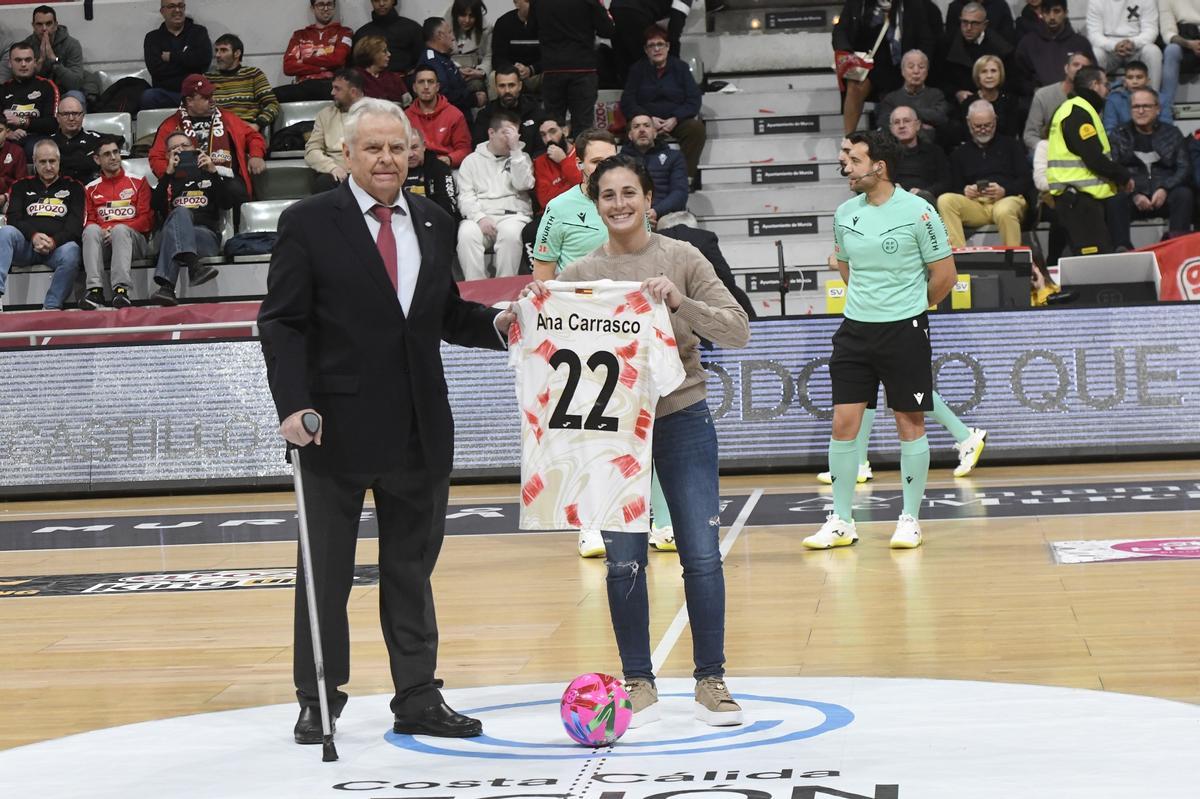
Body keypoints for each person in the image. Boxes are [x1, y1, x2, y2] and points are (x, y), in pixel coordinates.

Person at [257, 97, 516, 745]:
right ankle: (318, 697)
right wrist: (293, 404)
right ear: (347, 154)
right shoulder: (307, 222)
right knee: (326, 574)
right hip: (330, 430)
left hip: (419, 431)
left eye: (396, 148)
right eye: (372, 147)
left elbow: (446, 314)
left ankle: (419, 694)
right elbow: (282, 322)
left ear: (413, 154)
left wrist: (500, 325)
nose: (385, 158)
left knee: (410, 570)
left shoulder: (432, 219)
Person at [530, 152, 750, 728]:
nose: (620, 204)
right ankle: (638, 681)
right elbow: (538, 334)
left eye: (631, 193)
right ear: (594, 202)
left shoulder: (682, 257)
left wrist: (681, 302)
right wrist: (513, 321)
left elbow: (739, 329)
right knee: (624, 560)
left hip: (682, 418)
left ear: (650, 200)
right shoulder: (578, 273)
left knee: (701, 555)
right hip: (614, 434)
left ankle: (711, 680)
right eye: (609, 195)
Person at [805, 129, 956, 551]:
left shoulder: (919, 211)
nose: (845, 166)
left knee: (909, 422)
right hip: (854, 331)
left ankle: (909, 518)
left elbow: (945, 276)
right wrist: (869, 303)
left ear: (879, 166)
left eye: (852, 158)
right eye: (844, 157)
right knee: (843, 424)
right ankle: (841, 520)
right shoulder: (844, 213)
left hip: (904, 329)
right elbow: (847, 268)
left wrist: (909, 307)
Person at [150, 130, 247, 305]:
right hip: (173, 234)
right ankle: (194, 267)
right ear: (168, 155)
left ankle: (167, 286)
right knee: (180, 213)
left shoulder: (210, 174)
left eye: (185, 146)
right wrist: (168, 175)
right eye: (175, 148)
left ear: (194, 148)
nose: (180, 150)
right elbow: (155, 206)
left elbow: (227, 204)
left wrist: (214, 173)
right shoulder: (167, 180)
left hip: (205, 236)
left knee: (178, 217)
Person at [1046, 65, 1132, 254]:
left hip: (1078, 199)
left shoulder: (1071, 109)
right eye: (1105, 84)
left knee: (1092, 259)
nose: (1108, 90)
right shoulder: (1078, 112)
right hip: (1079, 200)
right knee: (1093, 262)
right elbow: (1093, 158)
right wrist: (1123, 176)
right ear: (1095, 85)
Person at [148, 74, 268, 200]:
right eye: (206, 97)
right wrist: (172, 174)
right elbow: (156, 157)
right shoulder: (170, 125)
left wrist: (256, 155)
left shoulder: (227, 118)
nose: (212, 100)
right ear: (189, 101)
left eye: (212, 95)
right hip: (187, 180)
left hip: (225, 179)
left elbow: (253, 136)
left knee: (235, 191)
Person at [0, 138, 83, 311]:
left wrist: (53, 241)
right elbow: (13, 218)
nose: (48, 166)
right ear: (35, 162)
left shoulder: (74, 187)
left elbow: (75, 226)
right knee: (6, 232)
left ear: (59, 161)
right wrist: (34, 236)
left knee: (73, 250)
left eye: (52, 161)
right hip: (26, 246)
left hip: (57, 248)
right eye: (42, 162)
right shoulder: (20, 186)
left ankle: (51, 307)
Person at [834, 0, 938, 135]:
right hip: (866, 64)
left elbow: (926, 38)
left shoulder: (912, 4)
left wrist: (919, 62)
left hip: (898, 65)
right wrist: (847, 53)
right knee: (855, 85)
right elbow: (840, 31)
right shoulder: (858, 3)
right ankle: (848, 138)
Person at [1108, 87, 1194, 247]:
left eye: (1146, 106)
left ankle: (1177, 246)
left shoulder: (1172, 133)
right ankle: (1122, 249)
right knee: (1115, 199)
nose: (1141, 111)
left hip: (1164, 194)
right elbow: (1114, 169)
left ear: (1157, 109)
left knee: (1184, 194)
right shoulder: (1119, 134)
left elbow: (1184, 167)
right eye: (1136, 106)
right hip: (1132, 195)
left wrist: (1165, 188)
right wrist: (1134, 194)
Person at [938, 99, 1031, 247]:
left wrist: (1004, 190)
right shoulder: (959, 153)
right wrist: (965, 191)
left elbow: (1026, 180)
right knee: (945, 200)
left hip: (1007, 199)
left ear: (995, 121)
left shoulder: (1011, 145)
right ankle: (957, 259)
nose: (983, 130)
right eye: (978, 126)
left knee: (1004, 210)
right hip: (977, 205)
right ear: (969, 123)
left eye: (988, 125)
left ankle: (1015, 261)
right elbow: (953, 186)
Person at [620, 25, 706, 184]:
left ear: (668, 47)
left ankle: (684, 179)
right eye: (652, 45)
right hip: (647, 120)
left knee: (696, 129)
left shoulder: (680, 68)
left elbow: (694, 99)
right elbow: (627, 101)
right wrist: (648, 119)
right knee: (635, 131)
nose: (656, 49)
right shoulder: (637, 70)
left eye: (660, 44)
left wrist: (676, 118)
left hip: (675, 121)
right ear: (646, 50)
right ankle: (637, 180)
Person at [455, 110, 535, 279]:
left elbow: (524, 184)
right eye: (506, 133)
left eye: (515, 134)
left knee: (511, 234)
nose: (511, 139)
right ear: (491, 133)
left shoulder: (522, 157)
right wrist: (479, 218)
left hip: (514, 216)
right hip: (481, 217)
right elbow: (465, 197)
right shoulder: (471, 161)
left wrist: (516, 152)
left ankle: (505, 290)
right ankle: (475, 290)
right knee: (466, 233)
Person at [80, 136, 154, 310]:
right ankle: (95, 290)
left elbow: (146, 220)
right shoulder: (90, 188)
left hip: (134, 242)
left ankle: (121, 290)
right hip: (104, 242)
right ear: (97, 159)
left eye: (115, 152)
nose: (113, 157)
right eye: (107, 154)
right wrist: (103, 230)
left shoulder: (138, 181)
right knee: (90, 230)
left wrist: (117, 230)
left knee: (120, 230)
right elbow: (89, 219)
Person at [532, 127, 616, 280]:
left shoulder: (633, 202)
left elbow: (646, 256)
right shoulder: (558, 207)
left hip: (627, 298)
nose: (605, 168)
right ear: (579, 164)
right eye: (596, 162)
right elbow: (543, 268)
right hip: (579, 299)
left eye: (611, 161)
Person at [529, 0, 617, 134]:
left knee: (552, 126)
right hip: (582, 68)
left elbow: (531, 29)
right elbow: (607, 29)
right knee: (583, 127)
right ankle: (580, 154)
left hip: (552, 68)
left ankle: (554, 153)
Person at [1013, 0, 1095, 101]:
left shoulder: (1080, 43)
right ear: (1041, 14)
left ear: (1066, 13)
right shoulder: (1028, 43)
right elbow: (1019, 78)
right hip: (1040, 100)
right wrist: (1035, 90)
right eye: (1047, 12)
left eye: (1057, 11)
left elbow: (1092, 75)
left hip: (1075, 99)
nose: (1052, 17)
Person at [278, 0, 355, 103]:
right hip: (304, 86)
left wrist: (305, 60)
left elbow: (338, 60)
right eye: (320, 4)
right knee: (271, 96)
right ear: (312, 8)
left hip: (331, 86)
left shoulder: (345, 32)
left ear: (334, 7)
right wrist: (323, 66)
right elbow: (288, 67)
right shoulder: (299, 35)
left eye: (329, 4)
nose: (326, 8)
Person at [937, 2, 1014, 105]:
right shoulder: (946, 45)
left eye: (974, 23)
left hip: (993, 104)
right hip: (958, 105)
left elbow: (1011, 82)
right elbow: (938, 79)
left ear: (984, 25)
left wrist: (993, 95)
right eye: (965, 22)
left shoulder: (1000, 48)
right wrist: (956, 93)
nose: (968, 28)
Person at [142, 0, 212, 109]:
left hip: (194, 94)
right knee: (148, 97)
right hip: (165, 93)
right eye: (171, 6)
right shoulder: (152, 38)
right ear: (162, 11)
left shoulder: (198, 32)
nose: (177, 10)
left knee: (209, 98)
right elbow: (156, 70)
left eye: (181, 6)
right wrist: (189, 65)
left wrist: (172, 56)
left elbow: (203, 61)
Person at [620, 113, 688, 225]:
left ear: (655, 133)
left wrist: (656, 211)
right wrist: (639, 215)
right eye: (636, 127)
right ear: (630, 135)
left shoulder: (674, 157)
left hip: (666, 215)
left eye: (646, 125)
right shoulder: (619, 161)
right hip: (631, 216)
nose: (642, 130)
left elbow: (680, 193)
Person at [7, 5, 90, 94]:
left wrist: (54, 60)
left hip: (65, 93)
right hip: (35, 93)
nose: (44, 29)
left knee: (75, 96)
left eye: (48, 23)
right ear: (33, 26)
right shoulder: (26, 47)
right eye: (39, 24)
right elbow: (18, 82)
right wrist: (40, 62)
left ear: (55, 25)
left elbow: (75, 84)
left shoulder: (71, 45)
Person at [875, 49, 952, 143]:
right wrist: (920, 127)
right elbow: (883, 123)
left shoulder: (936, 95)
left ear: (927, 71)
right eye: (911, 67)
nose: (916, 71)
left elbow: (941, 118)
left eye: (921, 67)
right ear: (903, 71)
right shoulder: (891, 98)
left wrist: (909, 114)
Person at [610, 0, 696, 84]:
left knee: (626, 68)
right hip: (636, 11)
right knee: (649, 70)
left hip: (616, 8)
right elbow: (674, 31)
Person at [307, 68, 365, 192]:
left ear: (353, 92)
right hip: (337, 174)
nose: (332, 92)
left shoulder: (376, 113)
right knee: (323, 183)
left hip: (367, 171)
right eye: (333, 87)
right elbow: (312, 150)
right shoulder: (325, 115)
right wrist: (331, 167)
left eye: (337, 88)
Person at [207, 34, 280, 130]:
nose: (217, 55)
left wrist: (258, 124)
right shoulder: (208, 78)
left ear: (237, 53)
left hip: (244, 128)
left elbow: (273, 104)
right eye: (216, 50)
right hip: (216, 130)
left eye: (223, 50)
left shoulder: (253, 74)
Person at [404, 65, 472, 167]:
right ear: (414, 87)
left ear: (437, 87)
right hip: (415, 167)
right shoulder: (405, 117)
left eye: (430, 82)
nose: (426, 86)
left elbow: (465, 149)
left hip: (446, 167)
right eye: (421, 82)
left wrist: (450, 159)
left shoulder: (454, 114)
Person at [1023, 51, 1092, 152]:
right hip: (1048, 151)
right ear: (1066, 68)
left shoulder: (1093, 99)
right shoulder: (1043, 95)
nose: (1079, 69)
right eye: (1075, 65)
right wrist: (1048, 149)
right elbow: (1030, 135)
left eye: (1084, 67)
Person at [2, 42, 60, 159]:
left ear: (35, 62)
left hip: (39, 139)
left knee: (31, 149)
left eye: (28, 60)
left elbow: (53, 123)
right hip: (8, 139)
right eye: (18, 60)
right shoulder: (2, 89)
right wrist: (7, 133)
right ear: (9, 63)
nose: (23, 64)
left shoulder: (47, 86)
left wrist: (23, 121)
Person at [1087, 0, 1162, 89]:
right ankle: (1096, 99)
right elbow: (1094, 34)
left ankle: (1153, 97)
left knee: (1153, 51)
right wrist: (1114, 45)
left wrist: (1133, 43)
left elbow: (1151, 30)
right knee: (1096, 53)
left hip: (1137, 47)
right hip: (1109, 49)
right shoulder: (1096, 1)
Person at [889, 105, 952, 205]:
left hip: (926, 202)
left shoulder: (934, 151)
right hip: (895, 201)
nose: (901, 126)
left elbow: (945, 182)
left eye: (906, 121)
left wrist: (925, 192)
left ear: (918, 125)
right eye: (897, 122)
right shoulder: (885, 155)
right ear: (891, 128)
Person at [472, 65, 542, 153]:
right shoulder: (486, 115)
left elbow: (541, 147)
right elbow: (479, 149)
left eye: (511, 85)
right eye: (502, 86)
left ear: (520, 86)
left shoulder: (534, 110)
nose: (507, 91)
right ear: (496, 87)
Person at [955, 54, 1021, 141]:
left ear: (1000, 74)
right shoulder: (968, 103)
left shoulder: (1010, 101)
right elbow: (967, 136)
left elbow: (1012, 134)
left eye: (993, 71)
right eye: (984, 71)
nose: (989, 76)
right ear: (978, 76)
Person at [353, 0, 424, 74]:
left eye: (385, 0)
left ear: (393, 1)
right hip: (371, 82)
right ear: (371, 2)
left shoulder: (411, 28)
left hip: (406, 80)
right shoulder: (362, 33)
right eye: (376, 0)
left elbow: (423, 59)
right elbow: (355, 67)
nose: (381, 4)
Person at [404, 124, 459, 219]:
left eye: (414, 147)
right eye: (405, 148)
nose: (410, 154)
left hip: (434, 222)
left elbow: (448, 207)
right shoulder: (393, 171)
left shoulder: (440, 169)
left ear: (424, 146)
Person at [1103, 60, 1173, 132]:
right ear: (1124, 81)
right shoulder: (1114, 100)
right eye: (1130, 78)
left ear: (1147, 80)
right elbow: (1110, 130)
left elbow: (1167, 128)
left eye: (1139, 77)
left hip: (1156, 141)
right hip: (1123, 141)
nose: (1135, 81)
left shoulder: (1161, 99)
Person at [50, 94, 104, 184]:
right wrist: (83, 161)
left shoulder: (95, 139)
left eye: (75, 114)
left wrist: (61, 161)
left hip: (90, 189)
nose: (71, 118)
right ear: (58, 118)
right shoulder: (48, 143)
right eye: (66, 114)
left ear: (82, 116)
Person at [1160, 0, 1200, 120]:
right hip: (1185, 41)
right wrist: (1189, 44)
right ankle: (1165, 112)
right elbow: (1168, 32)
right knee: (1171, 50)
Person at [491, 0, 541, 93]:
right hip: (510, 72)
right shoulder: (503, 22)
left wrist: (531, 69)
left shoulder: (546, 23)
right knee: (493, 76)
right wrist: (513, 70)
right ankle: (497, 107)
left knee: (553, 75)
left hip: (537, 73)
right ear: (516, 3)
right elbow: (497, 58)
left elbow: (551, 56)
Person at [532, 116, 579, 208]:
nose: (548, 139)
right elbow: (545, 201)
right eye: (543, 135)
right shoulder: (540, 162)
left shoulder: (582, 152)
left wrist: (564, 161)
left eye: (552, 132)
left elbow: (587, 190)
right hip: (557, 214)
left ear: (565, 131)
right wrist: (573, 188)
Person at [447, 0, 491, 99]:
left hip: (475, 75)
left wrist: (480, 72)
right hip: (450, 73)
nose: (467, 20)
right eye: (463, 15)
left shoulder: (486, 30)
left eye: (471, 16)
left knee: (476, 85)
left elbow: (489, 56)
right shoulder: (443, 28)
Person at [353, 35, 409, 103]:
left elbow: (407, 104)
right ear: (372, 53)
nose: (389, 54)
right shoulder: (353, 77)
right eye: (384, 51)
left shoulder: (394, 78)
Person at [943, 0, 1016, 43]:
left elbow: (1008, 41)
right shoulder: (955, 6)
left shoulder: (1000, 6)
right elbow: (950, 40)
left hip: (993, 56)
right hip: (963, 57)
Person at [0, 117, 27, 212]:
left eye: (0, 130)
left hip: (9, 198)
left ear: (7, 132)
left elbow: (22, 182)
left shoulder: (17, 151)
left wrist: (5, 197)